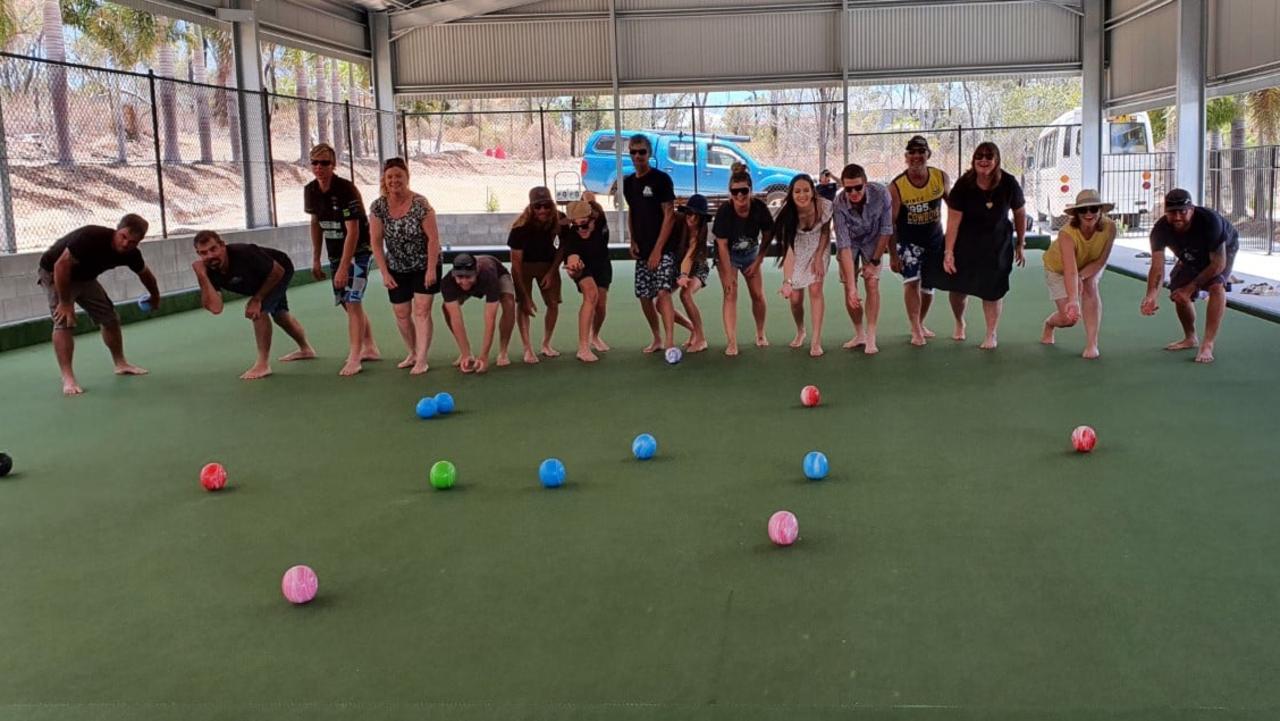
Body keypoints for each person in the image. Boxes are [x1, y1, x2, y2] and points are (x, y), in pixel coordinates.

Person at [36, 213, 156, 395]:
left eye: (132, 242)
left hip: (85, 278)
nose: (126, 244)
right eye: (123, 237)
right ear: (117, 229)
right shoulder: (90, 237)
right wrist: (65, 302)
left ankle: (120, 363)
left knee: (110, 319)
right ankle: (68, 378)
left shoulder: (131, 254)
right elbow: (61, 265)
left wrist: (155, 295)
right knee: (64, 321)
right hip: (54, 273)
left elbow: (145, 274)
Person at [933, 142, 1027, 350]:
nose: (983, 160)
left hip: (997, 243)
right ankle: (959, 322)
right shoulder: (964, 184)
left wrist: (1020, 242)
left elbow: (1020, 213)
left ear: (996, 160)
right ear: (973, 159)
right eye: (979, 156)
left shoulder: (1009, 183)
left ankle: (991, 333)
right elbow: (953, 220)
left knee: (992, 290)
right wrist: (948, 252)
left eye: (988, 156)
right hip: (966, 241)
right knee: (958, 289)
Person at [191, 230, 316, 379]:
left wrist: (257, 299)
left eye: (213, 249)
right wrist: (202, 276)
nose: (210, 256)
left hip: (278, 271)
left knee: (259, 311)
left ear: (222, 246)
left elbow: (277, 271)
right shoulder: (207, 270)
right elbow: (215, 308)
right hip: (257, 281)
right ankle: (306, 349)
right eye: (204, 253)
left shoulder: (244, 252)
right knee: (280, 315)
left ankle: (262, 365)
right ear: (198, 254)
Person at [303, 142, 380, 376]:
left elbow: (354, 231)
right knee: (348, 302)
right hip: (335, 251)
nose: (319, 167)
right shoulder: (310, 190)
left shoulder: (346, 189)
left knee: (353, 299)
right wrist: (317, 258)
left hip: (358, 251)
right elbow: (316, 224)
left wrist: (344, 266)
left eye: (324, 163)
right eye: (315, 163)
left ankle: (355, 356)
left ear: (333, 165)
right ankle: (370, 347)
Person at [1140, 188, 1239, 364]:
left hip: (1222, 250)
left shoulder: (1210, 222)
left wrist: (1191, 288)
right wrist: (1151, 295)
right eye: (1172, 212)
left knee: (1216, 286)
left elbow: (1218, 264)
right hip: (1190, 251)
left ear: (1191, 209)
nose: (1177, 217)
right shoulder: (1160, 230)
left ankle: (1208, 344)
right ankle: (1190, 338)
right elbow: (1157, 266)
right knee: (1178, 293)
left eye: (1182, 211)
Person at [369, 157, 441, 376]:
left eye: (398, 175)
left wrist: (430, 269)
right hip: (396, 266)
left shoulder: (420, 203)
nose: (394, 180)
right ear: (384, 179)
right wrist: (384, 272)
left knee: (421, 311)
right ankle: (411, 352)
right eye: (389, 176)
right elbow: (376, 242)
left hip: (424, 263)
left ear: (406, 177)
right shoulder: (378, 206)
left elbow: (433, 239)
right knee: (401, 312)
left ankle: (422, 358)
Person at [623, 133, 691, 353]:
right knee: (644, 296)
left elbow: (669, 215)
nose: (637, 156)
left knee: (663, 293)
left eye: (641, 151)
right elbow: (632, 211)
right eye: (633, 152)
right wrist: (632, 238)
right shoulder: (628, 183)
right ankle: (657, 338)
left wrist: (658, 251)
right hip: (642, 248)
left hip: (664, 249)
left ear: (649, 153)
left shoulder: (661, 180)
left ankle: (670, 343)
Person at [1040, 190, 1117, 359]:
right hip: (1058, 269)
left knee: (1091, 286)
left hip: (1090, 264)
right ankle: (1049, 324)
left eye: (1093, 209)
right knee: (1069, 319)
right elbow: (1070, 270)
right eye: (1083, 210)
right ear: (1076, 213)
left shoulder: (1110, 227)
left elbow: (1101, 261)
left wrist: (1082, 278)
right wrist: (1074, 300)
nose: (1089, 214)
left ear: (1100, 210)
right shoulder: (1066, 233)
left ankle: (1092, 344)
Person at [888, 135, 950, 346]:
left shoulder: (940, 177)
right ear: (906, 157)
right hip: (908, 242)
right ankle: (915, 328)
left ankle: (920, 322)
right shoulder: (897, 185)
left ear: (928, 154)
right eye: (911, 153)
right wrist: (893, 255)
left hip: (934, 240)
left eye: (920, 152)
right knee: (912, 282)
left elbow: (955, 207)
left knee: (928, 286)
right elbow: (891, 223)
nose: (916, 156)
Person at [711, 162, 775, 355]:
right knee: (730, 293)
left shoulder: (759, 208)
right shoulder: (724, 211)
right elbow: (721, 245)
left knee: (757, 294)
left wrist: (758, 261)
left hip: (751, 253)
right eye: (735, 191)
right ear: (730, 192)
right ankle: (732, 341)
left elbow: (768, 234)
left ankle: (761, 333)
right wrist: (728, 273)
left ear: (750, 190)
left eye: (744, 191)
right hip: (728, 255)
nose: (740, 196)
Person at [832, 163, 891, 355]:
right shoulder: (839, 203)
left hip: (874, 239)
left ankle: (871, 336)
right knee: (850, 290)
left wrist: (874, 262)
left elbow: (886, 231)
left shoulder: (881, 194)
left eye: (858, 187)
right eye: (849, 189)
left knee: (872, 283)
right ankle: (860, 334)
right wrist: (851, 286)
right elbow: (844, 245)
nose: (854, 192)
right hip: (851, 242)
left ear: (865, 183)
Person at [775, 174, 834, 357]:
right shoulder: (787, 215)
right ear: (792, 194)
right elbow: (789, 251)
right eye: (797, 191)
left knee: (816, 290)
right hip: (798, 247)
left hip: (819, 245)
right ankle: (801, 330)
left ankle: (816, 341)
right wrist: (787, 281)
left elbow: (825, 232)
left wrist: (818, 257)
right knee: (795, 299)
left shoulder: (824, 206)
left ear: (813, 192)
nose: (802, 195)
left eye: (806, 190)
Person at [507, 186, 565, 363]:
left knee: (553, 303)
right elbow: (515, 264)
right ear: (531, 207)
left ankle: (546, 344)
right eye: (538, 206)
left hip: (548, 265)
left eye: (546, 205)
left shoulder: (560, 220)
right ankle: (527, 348)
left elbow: (563, 247)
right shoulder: (520, 228)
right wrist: (524, 295)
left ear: (552, 205)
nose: (543, 210)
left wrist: (552, 271)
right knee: (523, 305)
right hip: (524, 267)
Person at [440, 253, 519, 374]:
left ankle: (503, 352)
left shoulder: (489, 274)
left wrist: (484, 356)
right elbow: (456, 318)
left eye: (468, 277)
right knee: (446, 308)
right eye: (460, 277)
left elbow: (490, 319)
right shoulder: (447, 282)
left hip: (498, 274)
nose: (464, 281)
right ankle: (465, 353)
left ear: (476, 272)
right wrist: (466, 354)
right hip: (476, 283)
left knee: (509, 302)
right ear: (454, 274)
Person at [561, 195, 612, 362]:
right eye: (574, 225)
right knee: (591, 295)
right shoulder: (572, 237)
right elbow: (572, 259)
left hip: (602, 264)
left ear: (592, 218)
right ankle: (583, 348)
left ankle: (594, 336)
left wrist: (587, 197)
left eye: (583, 224)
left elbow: (590, 197)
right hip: (583, 266)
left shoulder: (601, 219)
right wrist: (574, 269)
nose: (580, 228)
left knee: (601, 305)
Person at [674, 194, 713, 353]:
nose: (691, 218)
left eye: (696, 216)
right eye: (689, 213)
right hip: (679, 266)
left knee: (685, 295)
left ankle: (701, 339)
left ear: (702, 219)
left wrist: (683, 275)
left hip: (698, 267)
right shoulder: (678, 224)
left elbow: (690, 257)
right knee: (659, 304)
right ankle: (692, 328)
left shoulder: (698, 235)